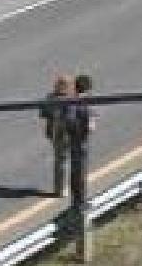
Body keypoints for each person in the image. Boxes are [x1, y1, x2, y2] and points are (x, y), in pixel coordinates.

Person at [39, 75, 96, 204]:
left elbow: (44, 114)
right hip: (63, 134)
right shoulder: (65, 98)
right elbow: (44, 114)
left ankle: (64, 189)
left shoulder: (57, 98)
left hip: (64, 133)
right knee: (66, 161)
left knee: (65, 161)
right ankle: (65, 189)